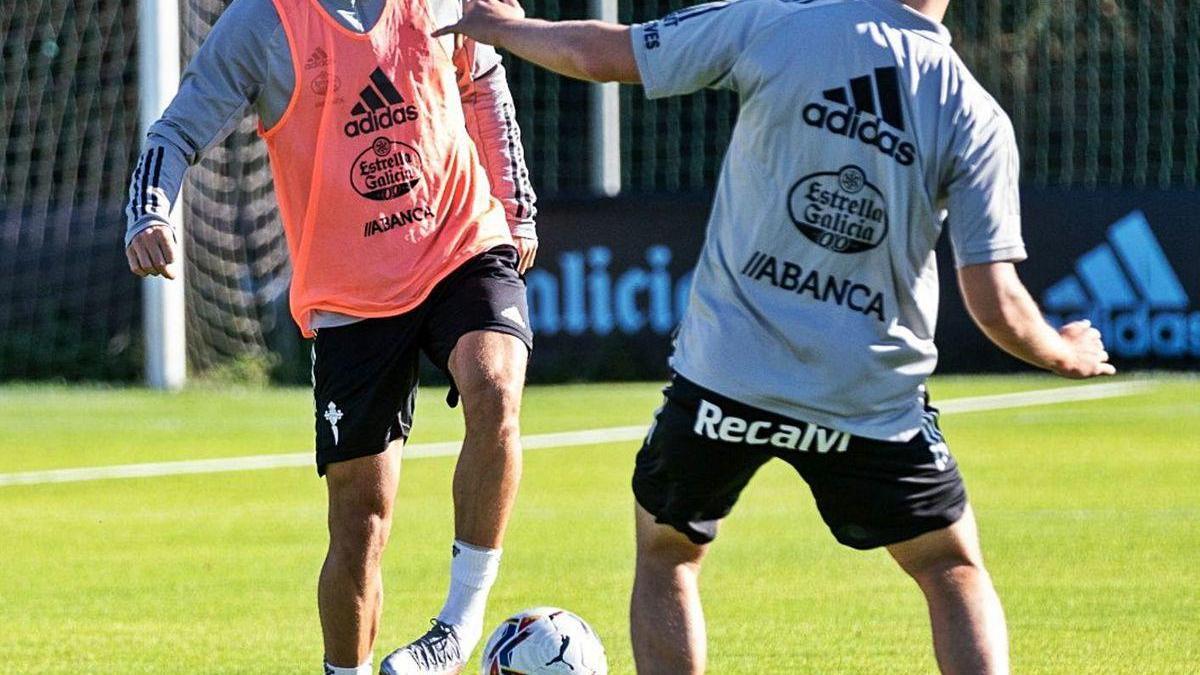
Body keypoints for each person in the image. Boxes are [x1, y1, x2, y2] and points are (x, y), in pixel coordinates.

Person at [435, 0, 1115, 672]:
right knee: (949, 566)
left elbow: (599, 54)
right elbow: (995, 303)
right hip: (865, 395)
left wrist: (496, 25)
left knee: (669, 553)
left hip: (727, 375)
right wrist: (1064, 350)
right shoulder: (972, 112)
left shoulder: (778, 23)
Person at [123, 1, 539, 673]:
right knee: (360, 516)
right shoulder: (262, 24)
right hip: (350, 294)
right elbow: (174, 133)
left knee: (494, 385)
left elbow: (483, 79)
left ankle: (458, 624)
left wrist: (516, 209)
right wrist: (148, 213)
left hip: (461, 243)